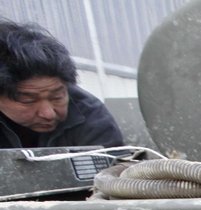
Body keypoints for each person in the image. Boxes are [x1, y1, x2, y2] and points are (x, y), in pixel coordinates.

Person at [0, 20, 123, 149]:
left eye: (57, 97)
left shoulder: (91, 115)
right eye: (28, 100)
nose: (48, 114)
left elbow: (111, 160)